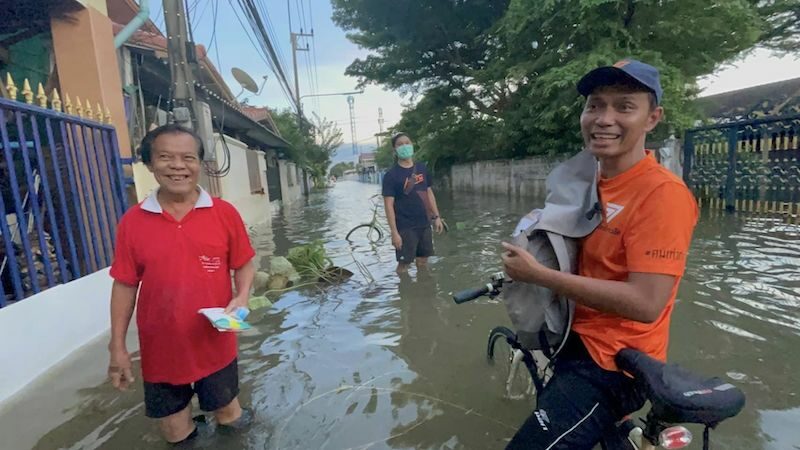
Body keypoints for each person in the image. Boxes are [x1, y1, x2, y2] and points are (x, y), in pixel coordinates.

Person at [500, 59, 699, 449]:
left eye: (624, 106)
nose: (603, 119)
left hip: (613, 365)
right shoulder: (591, 180)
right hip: (576, 339)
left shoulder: (662, 196)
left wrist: (539, 276)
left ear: (652, 118)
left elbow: (646, 304)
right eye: (595, 105)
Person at [107, 124, 256, 445]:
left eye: (188, 158)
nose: (177, 166)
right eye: (165, 157)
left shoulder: (224, 213)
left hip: (214, 342)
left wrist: (242, 296)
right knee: (175, 432)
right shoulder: (132, 221)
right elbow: (124, 285)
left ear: (199, 164)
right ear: (149, 164)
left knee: (230, 416)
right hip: (161, 348)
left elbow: (243, 263)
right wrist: (117, 346)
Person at [382, 133, 445, 273]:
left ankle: (422, 290)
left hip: (424, 223)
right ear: (394, 150)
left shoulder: (422, 168)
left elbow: (429, 193)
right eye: (400, 144)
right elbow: (388, 205)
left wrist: (436, 217)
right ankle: (405, 291)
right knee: (404, 264)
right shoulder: (391, 176)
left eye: (407, 143)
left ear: (412, 145)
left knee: (423, 261)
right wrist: (394, 233)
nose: (404, 146)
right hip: (405, 227)